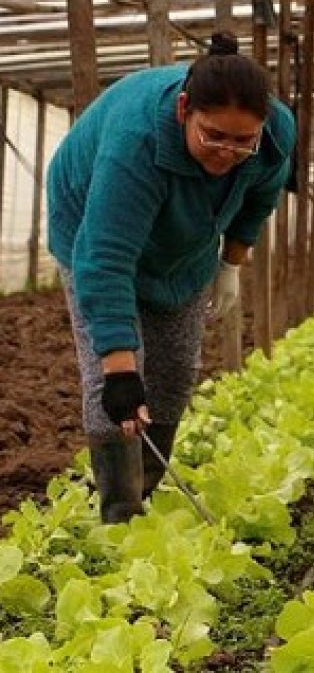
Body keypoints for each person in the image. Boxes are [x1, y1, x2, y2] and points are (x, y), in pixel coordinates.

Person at [47, 32, 295, 523]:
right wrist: (119, 369)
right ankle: (120, 510)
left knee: (175, 372)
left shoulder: (273, 136)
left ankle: (150, 486)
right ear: (184, 109)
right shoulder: (135, 144)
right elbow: (106, 258)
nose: (227, 152)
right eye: (213, 136)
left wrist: (230, 265)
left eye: (242, 141)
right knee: (114, 383)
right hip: (91, 228)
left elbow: (258, 200)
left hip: (186, 246)